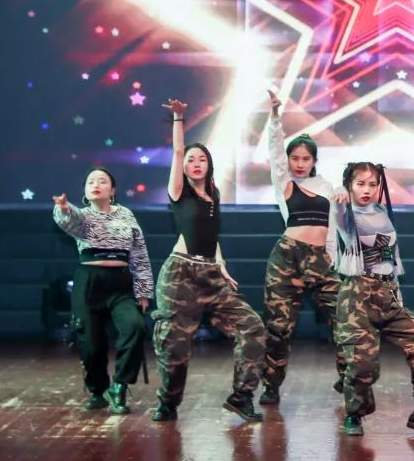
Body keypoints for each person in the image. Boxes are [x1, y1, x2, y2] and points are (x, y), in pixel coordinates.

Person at [151, 98, 266, 423]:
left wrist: (222, 265)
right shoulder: (179, 192)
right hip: (180, 275)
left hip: (211, 275)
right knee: (175, 348)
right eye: (191, 160)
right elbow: (177, 152)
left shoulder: (213, 194)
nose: (196, 163)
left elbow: (211, 236)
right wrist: (179, 119)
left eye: (202, 159)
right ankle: (168, 402)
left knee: (252, 327)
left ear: (210, 165)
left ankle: (242, 397)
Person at [331, 161, 414, 437]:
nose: (367, 190)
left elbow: (391, 259)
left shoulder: (382, 212)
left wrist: (397, 295)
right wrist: (339, 194)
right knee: (362, 364)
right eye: (360, 184)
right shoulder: (346, 213)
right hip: (357, 296)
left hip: (388, 293)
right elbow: (338, 210)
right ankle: (354, 414)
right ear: (350, 185)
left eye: (372, 184)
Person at [260, 90, 348, 404]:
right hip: (287, 257)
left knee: (344, 318)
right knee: (279, 327)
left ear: (314, 161)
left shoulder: (325, 186)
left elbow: (333, 228)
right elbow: (274, 151)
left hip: (321, 259)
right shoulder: (284, 182)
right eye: (294, 158)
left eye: (305, 159)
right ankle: (270, 385)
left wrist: (331, 257)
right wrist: (275, 118)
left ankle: (348, 378)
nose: (299, 164)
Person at [53, 167, 151, 415]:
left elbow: (139, 256)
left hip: (121, 284)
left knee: (135, 326)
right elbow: (68, 219)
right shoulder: (82, 216)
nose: (96, 185)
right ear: (85, 191)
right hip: (90, 283)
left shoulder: (126, 215)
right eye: (91, 182)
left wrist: (143, 292)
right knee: (91, 344)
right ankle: (97, 390)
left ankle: (120, 385)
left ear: (112, 190)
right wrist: (64, 208)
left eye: (102, 181)